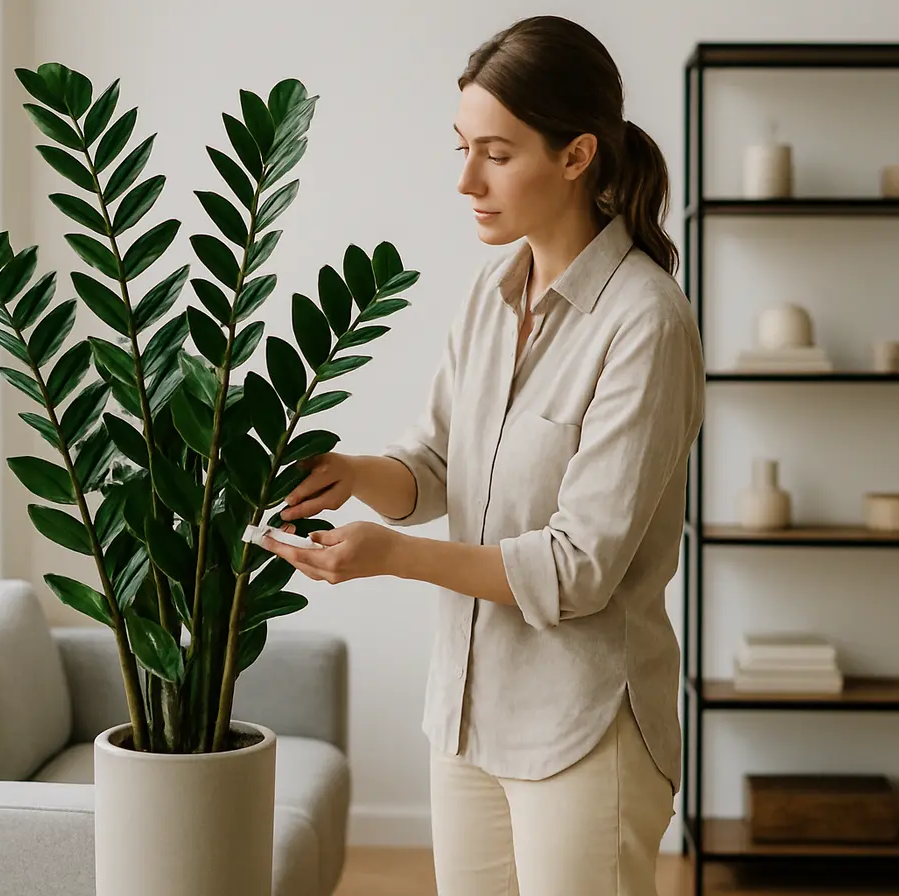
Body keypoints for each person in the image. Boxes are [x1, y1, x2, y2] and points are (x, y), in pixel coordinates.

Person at [259, 14, 704, 896]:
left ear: (577, 156)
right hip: (465, 718)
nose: (466, 179)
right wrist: (352, 474)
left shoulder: (644, 323)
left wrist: (393, 559)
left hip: (585, 728)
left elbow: (579, 568)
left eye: (496, 154)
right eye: (462, 147)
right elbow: (431, 465)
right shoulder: (494, 293)